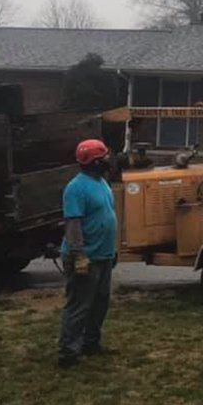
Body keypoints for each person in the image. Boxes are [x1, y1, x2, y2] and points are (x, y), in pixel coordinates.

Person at [57, 138, 118, 369]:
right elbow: (73, 226)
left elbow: (107, 216)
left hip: (103, 256)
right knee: (79, 306)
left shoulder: (102, 182)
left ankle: (91, 343)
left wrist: (112, 252)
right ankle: (68, 353)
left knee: (100, 303)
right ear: (93, 162)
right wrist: (79, 256)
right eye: (103, 158)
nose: (108, 161)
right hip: (86, 258)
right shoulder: (75, 188)